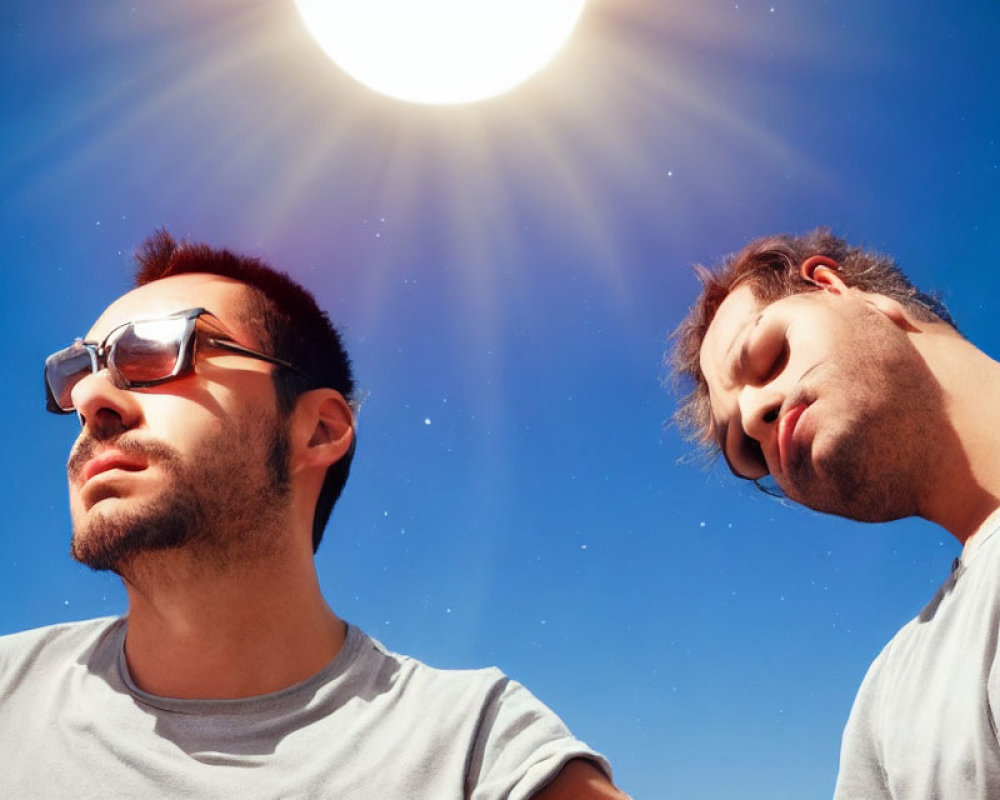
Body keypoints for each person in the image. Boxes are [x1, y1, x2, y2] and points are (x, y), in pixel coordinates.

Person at [1, 230, 625, 799]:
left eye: (155, 350)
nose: (90, 397)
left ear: (319, 429)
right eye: (77, 371)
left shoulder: (477, 747)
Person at [670, 227, 1000, 799]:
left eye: (767, 356)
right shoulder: (891, 704)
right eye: (747, 455)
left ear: (836, 286)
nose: (753, 417)